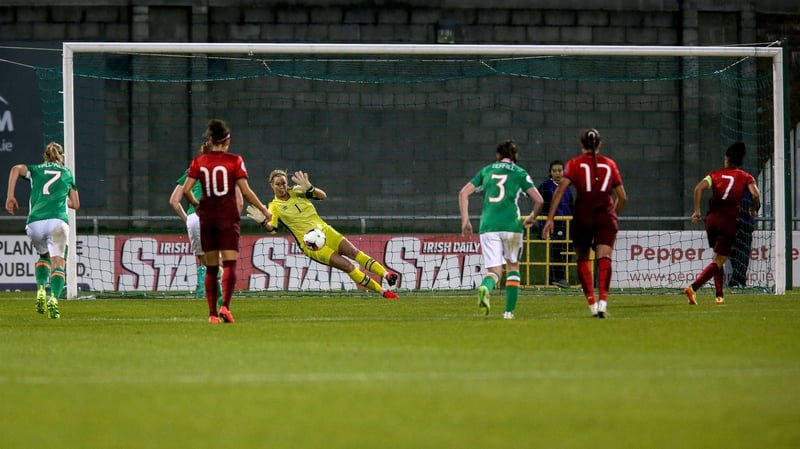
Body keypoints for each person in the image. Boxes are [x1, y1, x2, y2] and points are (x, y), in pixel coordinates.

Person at [246, 169, 399, 298]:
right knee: (348, 266)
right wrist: (263, 222)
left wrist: (311, 188)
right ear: (271, 186)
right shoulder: (274, 206)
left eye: (284, 183)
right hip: (312, 245)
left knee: (354, 252)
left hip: (325, 231)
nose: (282, 187)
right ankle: (383, 291)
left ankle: (386, 275)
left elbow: (322, 196)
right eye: (278, 184)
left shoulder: (298, 191)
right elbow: (272, 228)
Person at [182, 119, 271, 324]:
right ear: (227, 140)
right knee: (230, 264)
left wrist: (196, 203)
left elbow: (186, 190)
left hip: (207, 219)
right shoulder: (234, 161)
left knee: (211, 268)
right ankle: (225, 308)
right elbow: (246, 191)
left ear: (211, 140)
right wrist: (263, 209)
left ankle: (212, 315)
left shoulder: (199, 162)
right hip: (227, 218)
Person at [542, 129, 627, 319]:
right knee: (604, 258)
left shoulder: (574, 164)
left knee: (582, 259)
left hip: (583, 216)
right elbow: (622, 197)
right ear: (600, 144)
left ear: (582, 145)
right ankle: (604, 301)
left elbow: (560, 190)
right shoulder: (610, 164)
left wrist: (550, 219)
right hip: (605, 215)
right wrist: (613, 215)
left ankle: (592, 305)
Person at [458, 139, 544, 320]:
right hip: (512, 227)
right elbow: (539, 200)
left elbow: (463, 193)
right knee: (513, 267)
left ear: (498, 155)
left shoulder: (486, 170)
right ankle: (508, 312)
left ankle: (485, 288)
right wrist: (531, 217)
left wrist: (465, 220)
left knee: (495, 271)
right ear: (516, 156)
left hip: (488, 227)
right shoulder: (520, 173)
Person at [5, 142, 80, 319]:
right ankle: (53, 298)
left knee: (44, 256)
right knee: (59, 263)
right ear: (61, 157)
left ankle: (40, 289)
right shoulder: (67, 173)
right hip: (57, 221)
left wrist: (10, 197)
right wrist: (61, 200)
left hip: (35, 223)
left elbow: (15, 168)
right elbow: (76, 204)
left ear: (45, 156)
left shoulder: (36, 170)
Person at [684, 142, 760, 305]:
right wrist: (753, 209)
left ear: (727, 159)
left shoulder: (714, 174)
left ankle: (719, 295)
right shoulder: (746, 177)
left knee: (716, 256)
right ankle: (692, 288)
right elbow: (756, 195)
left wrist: (697, 211)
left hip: (711, 220)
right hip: (728, 221)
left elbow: (698, 189)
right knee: (719, 261)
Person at [169, 142, 242, 303]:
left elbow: (174, 201)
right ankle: (219, 293)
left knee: (204, 260)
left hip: (194, 219)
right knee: (221, 259)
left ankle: (203, 287)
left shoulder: (191, 171)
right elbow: (240, 202)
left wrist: (188, 219)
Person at [538, 160, 574, 289]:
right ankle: (556, 278)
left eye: (560, 171)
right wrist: (546, 223)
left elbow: (571, 206)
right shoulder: (545, 187)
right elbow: (543, 207)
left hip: (568, 224)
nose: (557, 173)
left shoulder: (567, 188)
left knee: (568, 251)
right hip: (555, 224)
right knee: (557, 250)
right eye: (554, 171)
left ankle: (561, 277)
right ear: (550, 173)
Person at [728, 189, 755, 288]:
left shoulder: (748, 190)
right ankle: (739, 280)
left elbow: (755, 201)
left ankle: (736, 281)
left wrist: (753, 209)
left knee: (742, 252)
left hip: (745, 224)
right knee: (734, 252)